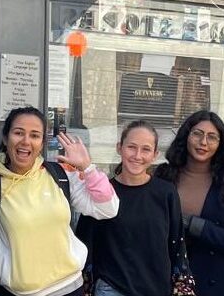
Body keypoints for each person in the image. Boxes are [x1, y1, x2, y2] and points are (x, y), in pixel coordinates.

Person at [0, 106, 119, 296]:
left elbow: (108, 209)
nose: (26, 141)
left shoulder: (60, 175)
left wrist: (87, 168)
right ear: (5, 138)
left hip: (71, 287)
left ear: (42, 143)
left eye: (35, 135)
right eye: (18, 133)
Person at [155, 110, 224, 296]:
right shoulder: (163, 175)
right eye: (197, 134)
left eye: (212, 137)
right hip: (167, 282)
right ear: (186, 136)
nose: (203, 142)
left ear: (220, 143)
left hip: (214, 286)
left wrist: (193, 224)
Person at [77, 120, 182, 296]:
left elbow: (176, 243)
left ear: (155, 155)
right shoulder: (102, 193)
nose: (137, 155)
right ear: (119, 148)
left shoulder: (166, 192)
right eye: (131, 147)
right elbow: (84, 242)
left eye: (146, 149)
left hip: (156, 289)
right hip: (111, 288)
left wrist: (181, 284)